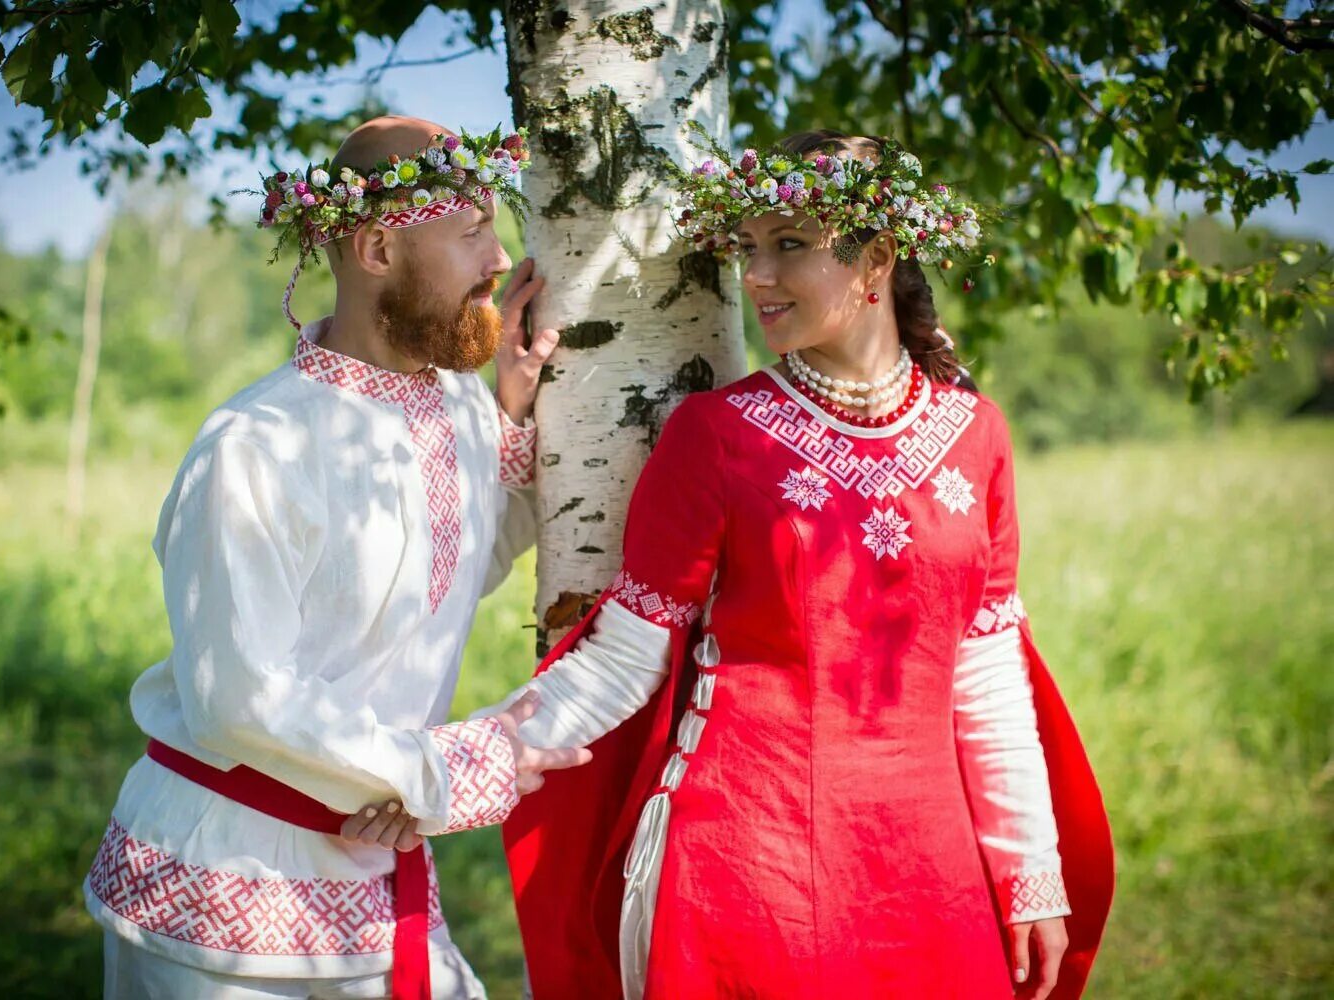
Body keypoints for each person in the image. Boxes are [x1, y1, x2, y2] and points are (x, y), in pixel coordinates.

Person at [348, 128, 1114, 999]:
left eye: (789, 244)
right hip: (751, 873)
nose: (756, 275)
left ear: (877, 259)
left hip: (932, 878)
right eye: (749, 248)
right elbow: (620, 664)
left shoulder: (977, 436)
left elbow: (987, 676)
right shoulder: (718, 436)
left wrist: (1030, 870)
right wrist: (445, 769)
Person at [81, 115, 588, 1000]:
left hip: (370, 877)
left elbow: (457, 575)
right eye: (472, 232)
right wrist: (435, 771)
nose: (500, 259)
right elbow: (237, 698)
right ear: (378, 249)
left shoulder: (459, 408)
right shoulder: (255, 444)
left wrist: (509, 421)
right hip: (222, 892)